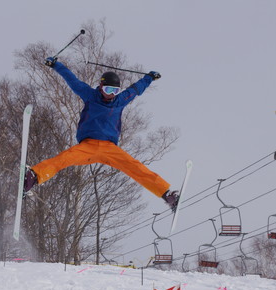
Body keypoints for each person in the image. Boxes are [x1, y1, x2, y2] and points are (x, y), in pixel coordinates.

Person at [23, 56, 179, 211]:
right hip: (87, 146)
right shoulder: (90, 96)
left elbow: (136, 89)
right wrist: (56, 65)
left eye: (114, 91)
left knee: (135, 168)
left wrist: (149, 78)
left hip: (110, 149)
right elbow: (72, 80)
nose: (110, 94)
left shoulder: (120, 100)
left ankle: (167, 195)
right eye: (107, 89)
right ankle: (32, 177)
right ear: (101, 86)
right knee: (64, 159)